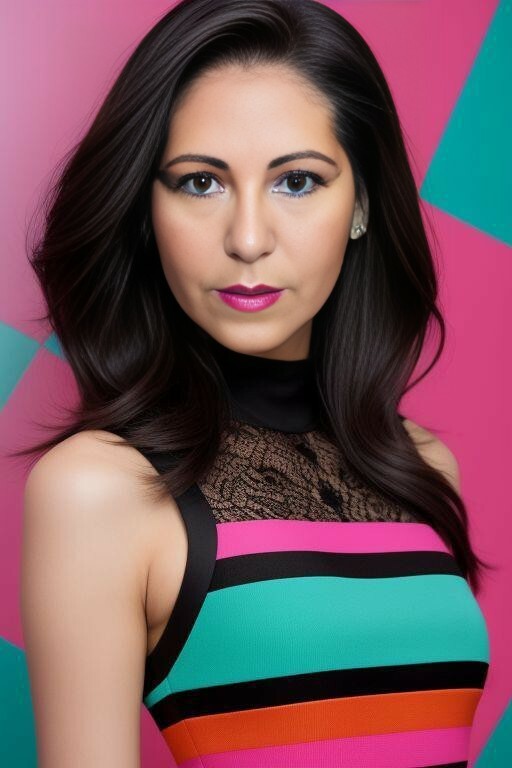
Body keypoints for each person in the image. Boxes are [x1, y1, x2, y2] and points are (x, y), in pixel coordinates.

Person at [19, 0, 493, 766]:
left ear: (361, 204)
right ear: (147, 210)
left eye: (297, 181)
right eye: (201, 183)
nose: (247, 239)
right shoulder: (100, 489)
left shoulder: (421, 466)